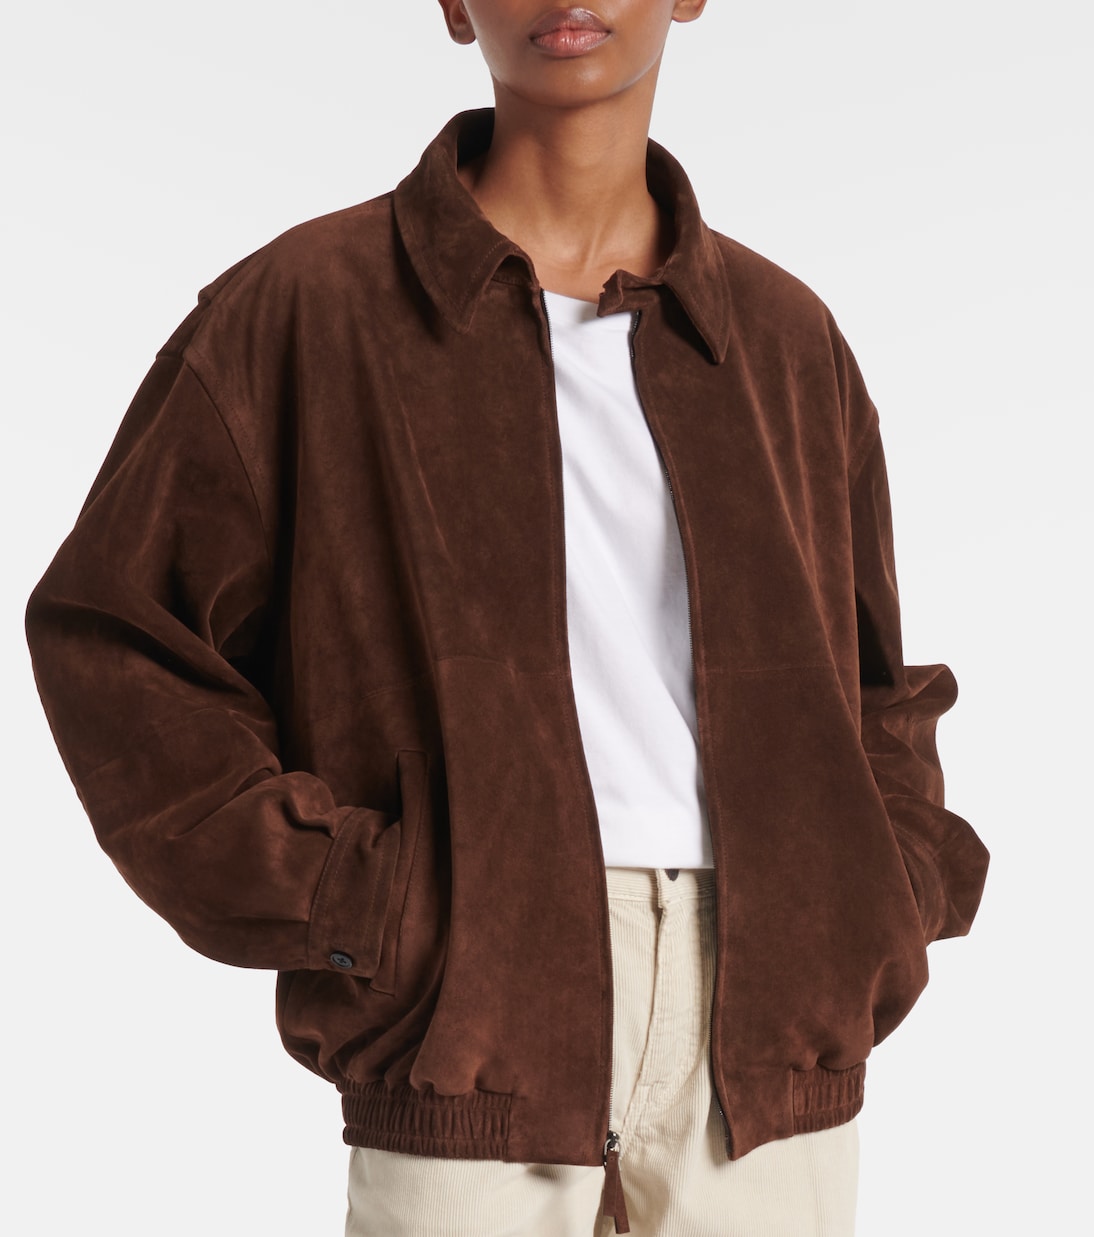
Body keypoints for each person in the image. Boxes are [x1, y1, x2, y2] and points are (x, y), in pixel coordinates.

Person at [25, 2, 990, 1234]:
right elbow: (114, 638)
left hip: (768, 1022)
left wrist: (881, 883)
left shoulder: (781, 340)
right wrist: (358, 896)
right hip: (473, 1010)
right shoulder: (310, 305)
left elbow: (872, 684)